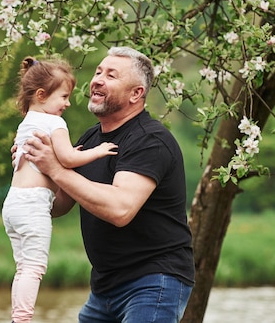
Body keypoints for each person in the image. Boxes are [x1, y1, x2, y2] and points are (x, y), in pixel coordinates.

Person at [22, 47, 195, 323]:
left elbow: (120, 209)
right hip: (104, 286)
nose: (97, 80)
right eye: (98, 72)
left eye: (111, 75)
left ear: (136, 94)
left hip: (153, 280)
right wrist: (31, 173)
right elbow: (59, 205)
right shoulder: (90, 139)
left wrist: (55, 168)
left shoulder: (150, 140)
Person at [3, 56, 118, 323]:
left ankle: (18, 316)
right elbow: (66, 160)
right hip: (34, 205)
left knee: (23, 268)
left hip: (13, 204)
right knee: (34, 268)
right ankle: (21, 320)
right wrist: (96, 152)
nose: (67, 103)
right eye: (63, 97)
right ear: (42, 95)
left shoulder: (26, 122)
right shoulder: (55, 123)